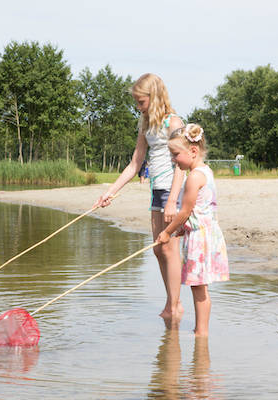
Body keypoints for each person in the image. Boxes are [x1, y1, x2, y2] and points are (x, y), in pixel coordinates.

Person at [95, 73, 186, 320]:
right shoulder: (146, 124)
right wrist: (110, 192)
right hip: (156, 190)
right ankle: (171, 303)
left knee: (170, 249)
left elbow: (181, 165)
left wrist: (171, 200)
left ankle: (174, 306)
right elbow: (135, 163)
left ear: (154, 97)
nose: (138, 107)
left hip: (172, 191)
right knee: (158, 250)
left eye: (141, 102)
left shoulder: (173, 123)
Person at [157, 123, 229, 336]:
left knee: (198, 288)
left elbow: (185, 212)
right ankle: (201, 332)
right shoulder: (205, 171)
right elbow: (199, 210)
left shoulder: (194, 178)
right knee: (200, 288)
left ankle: (201, 332)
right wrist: (182, 230)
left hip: (201, 239)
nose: (173, 159)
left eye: (175, 154)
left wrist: (167, 232)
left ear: (193, 151)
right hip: (203, 234)